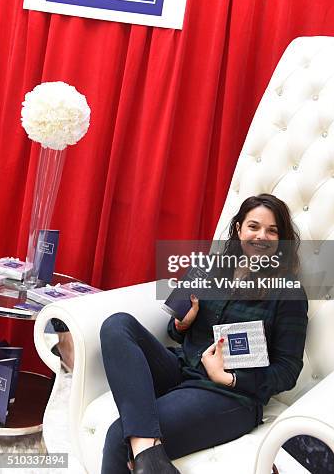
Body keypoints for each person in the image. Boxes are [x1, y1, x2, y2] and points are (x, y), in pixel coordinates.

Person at [100, 194, 308, 474]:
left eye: (272, 231)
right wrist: (182, 325)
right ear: (239, 229)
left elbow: (288, 370)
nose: (262, 236)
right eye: (254, 226)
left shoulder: (288, 293)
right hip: (181, 369)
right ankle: (150, 455)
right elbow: (174, 333)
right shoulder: (208, 270)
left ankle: (147, 456)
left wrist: (230, 378)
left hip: (229, 396)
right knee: (117, 324)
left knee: (118, 436)